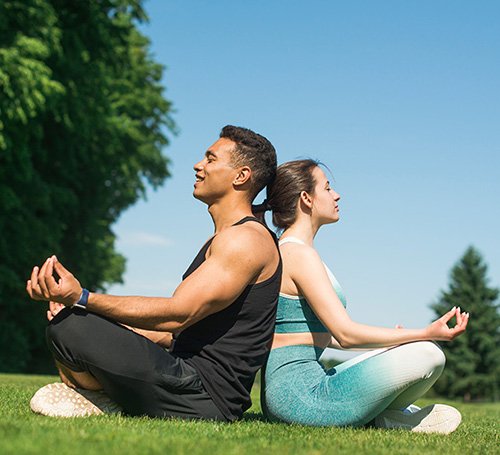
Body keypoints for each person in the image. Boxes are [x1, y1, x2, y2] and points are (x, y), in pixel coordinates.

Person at [26, 125, 282, 422]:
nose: (198, 165)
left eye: (211, 159)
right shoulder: (226, 238)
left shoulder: (245, 240)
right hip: (186, 376)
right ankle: (106, 396)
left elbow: (178, 314)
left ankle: (105, 398)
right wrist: (108, 325)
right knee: (70, 323)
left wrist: (82, 297)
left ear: (241, 176)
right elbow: (179, 332)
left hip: (204, 395)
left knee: (73, 324)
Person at [257, 159, 469, 434]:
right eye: (328, 187)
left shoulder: (296, 252)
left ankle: (386, 416)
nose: (337, 195)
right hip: (300, 397)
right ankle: (391, 416)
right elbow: (346, 334)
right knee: (428, 353)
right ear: (307, 199)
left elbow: (328, 337)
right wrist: (425, 332)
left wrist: (392, 344)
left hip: (297, 391)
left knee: (421, 351)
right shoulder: (298, 254)